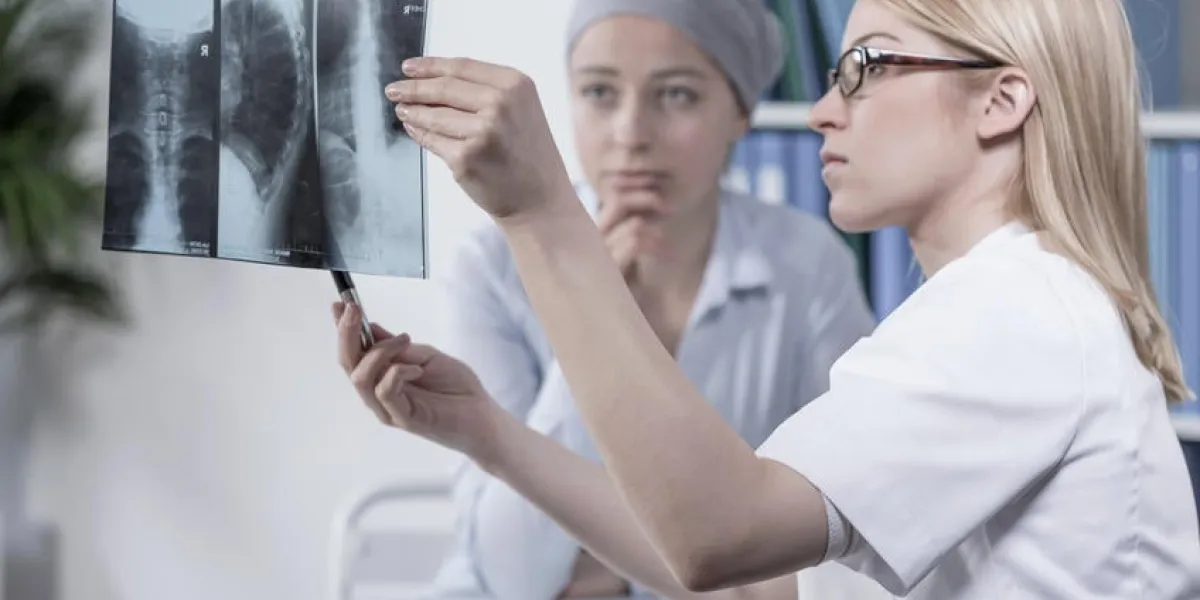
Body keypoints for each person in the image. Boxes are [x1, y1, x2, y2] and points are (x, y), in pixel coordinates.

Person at [339, 0, 1200, 597]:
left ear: (1001, 101)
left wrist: (541, 214)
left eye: (866, 67)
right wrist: (487, 433)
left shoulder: (1019, 311)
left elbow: (718, 536)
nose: (826, 109)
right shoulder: (1002, 305)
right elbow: (763, 586)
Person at [422, 1, 877, 598]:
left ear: (741, 111)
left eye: (677, 96)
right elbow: (512, 577)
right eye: (599, 93)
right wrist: (590, 316)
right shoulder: (491, 266)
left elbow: (839, 541)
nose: (631, 135)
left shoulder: (807, 265)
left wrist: (609, 573)